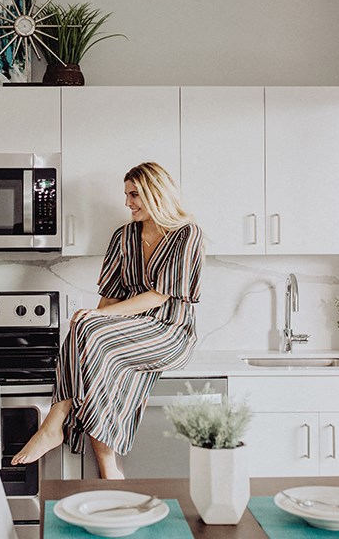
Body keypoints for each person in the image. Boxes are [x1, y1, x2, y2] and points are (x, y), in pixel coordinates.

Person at [11, 161, 203, 479]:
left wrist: (98, 318)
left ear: (156, 193)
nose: (127, 202)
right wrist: (91, 323)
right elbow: (112, 295)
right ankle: (106, 468)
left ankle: (56, 426)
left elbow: (158, 296)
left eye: (134, 194)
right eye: (126, 195)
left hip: (170, 331)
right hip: (128, 329)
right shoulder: (123, 236)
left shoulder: (186, 234)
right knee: (87, 337)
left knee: (91, 328)